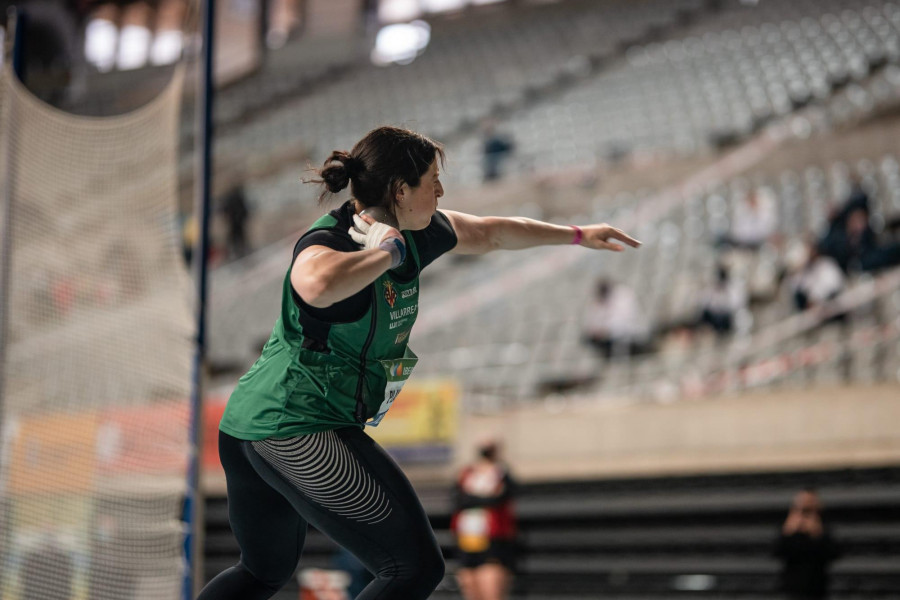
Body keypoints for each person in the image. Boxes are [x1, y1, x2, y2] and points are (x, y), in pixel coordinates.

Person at [197, 126, 640, 600]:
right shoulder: (334, 237)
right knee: (413, 567)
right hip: (293, 427)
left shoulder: (422, 232)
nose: (441, 190)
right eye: (433, 180)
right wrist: (386, 254)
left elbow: (491, 233)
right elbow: (313, 285)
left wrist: (577, 234)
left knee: (264, 571)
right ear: (400, 190)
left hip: (251, 424)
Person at [451, 440, 517, 600]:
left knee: (489, 577)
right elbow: (459, 500)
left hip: (492, 536)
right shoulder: (467, 473)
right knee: (469, 578)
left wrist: (474, 499)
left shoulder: (501, 473)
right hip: (468, 535)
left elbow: (499, 499)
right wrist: (485, 498)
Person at [774, 489, 841, 600]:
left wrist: (817, 533)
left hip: (817, 587)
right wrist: (788, 532)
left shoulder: (824, 525)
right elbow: (777, 552)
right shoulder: (789, 524)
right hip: (792, 588)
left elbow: (834, 553)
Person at [581, 278, 653, 358]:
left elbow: (624, 320)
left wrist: (605, 330)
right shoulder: (598, 300)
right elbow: (593, 321)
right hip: (608, 336)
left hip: (627, 332)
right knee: (587, 339)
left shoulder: (623, 295)